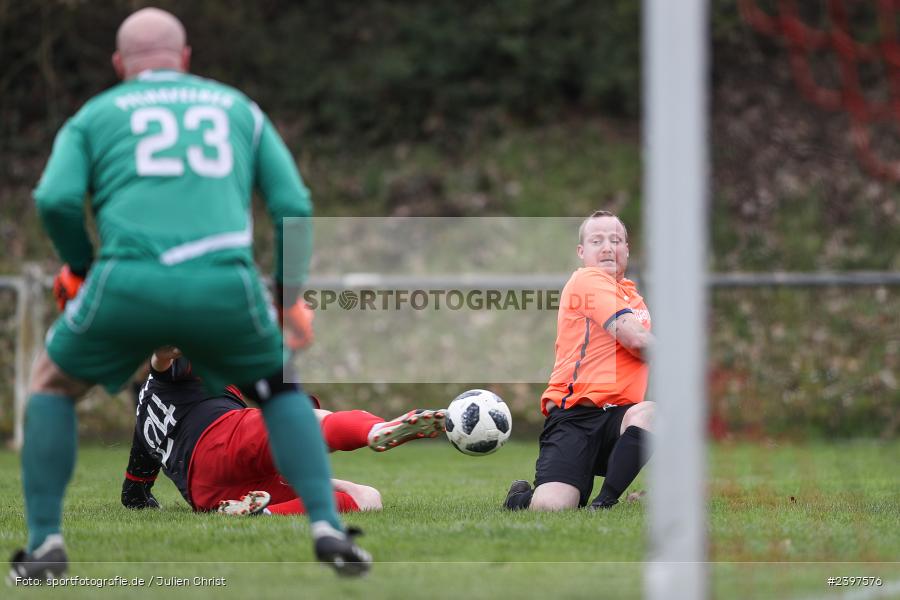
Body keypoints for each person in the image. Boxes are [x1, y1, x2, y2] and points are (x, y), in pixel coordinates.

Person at [10, 7, 370, 581]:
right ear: (185, 60)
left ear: (119, 64)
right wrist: (289, 294)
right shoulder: (237, 109)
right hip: (222, 282)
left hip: (128, 279)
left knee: (50, 386)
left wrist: (79, 266)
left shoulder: (95, 114)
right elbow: (293, 206)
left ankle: (47, 544)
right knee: (280, 393)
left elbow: (53, 199)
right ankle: (327, 526)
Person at [121, 349, 446, 515]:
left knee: (366, 499)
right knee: (308, 419)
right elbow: (163, 362)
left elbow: (133, 495)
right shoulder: (183, 368)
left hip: (206, 494)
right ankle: (374, 429)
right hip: (223, 439)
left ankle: (261, 515)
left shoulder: (143, 422)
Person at [503, 210, 655, 511]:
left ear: (627, 249)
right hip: (575, 418)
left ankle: (604, 502)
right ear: (582, 252)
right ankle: (519, 497)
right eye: (597, 240)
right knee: (551, 507)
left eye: (616, 240)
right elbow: (634, 339)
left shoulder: (633, 298)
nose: (608, 247)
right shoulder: (587, 280)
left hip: (617, 419)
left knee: (652, 414)